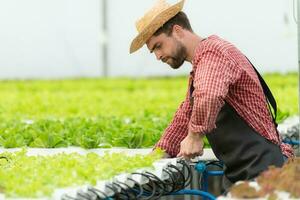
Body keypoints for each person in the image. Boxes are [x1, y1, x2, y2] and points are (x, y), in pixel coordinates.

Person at [129, 0, 294, 189]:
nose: (158, 56)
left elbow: (209, 94)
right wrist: (159, 153)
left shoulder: (214, 52)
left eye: (158, 46)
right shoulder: (201, 67)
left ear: (177, 31)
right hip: (246, 172)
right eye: (153, 52)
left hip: (265, 171)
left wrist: (194, 136)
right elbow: (185, 116)